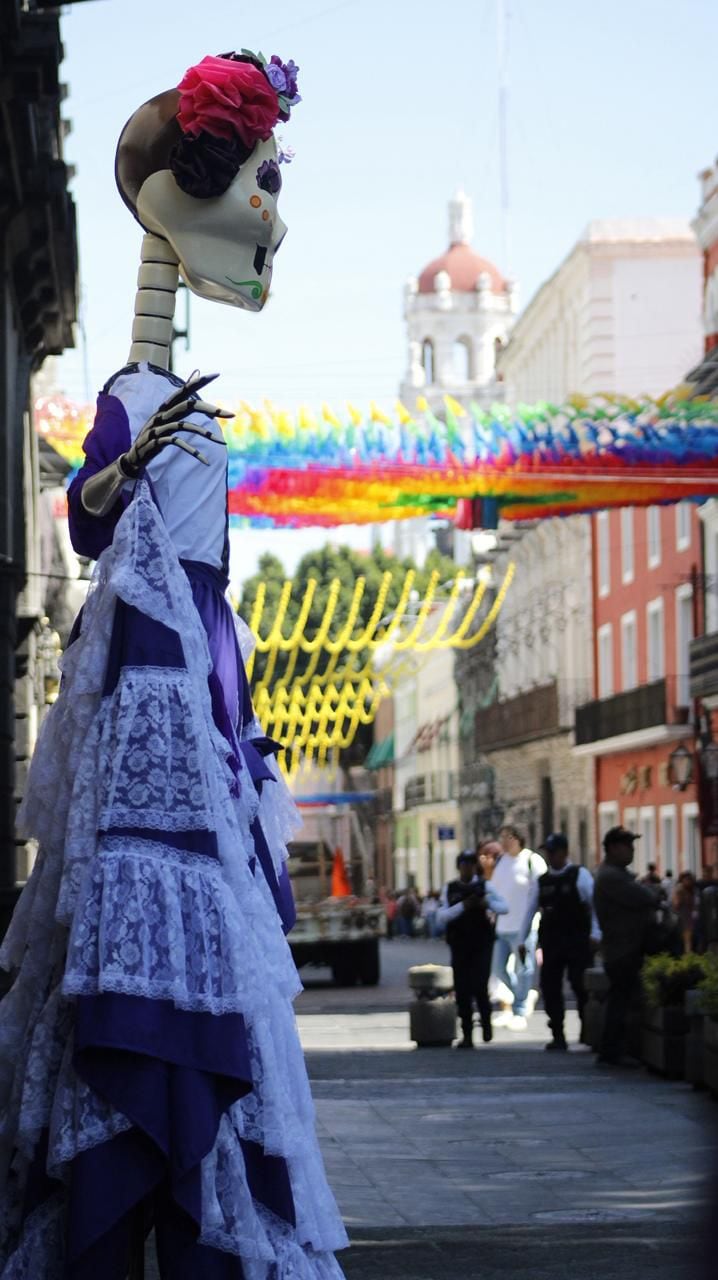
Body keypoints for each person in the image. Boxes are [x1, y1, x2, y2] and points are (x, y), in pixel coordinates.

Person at [0, 50, 348, 1279]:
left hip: (205, 668)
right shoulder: (131, 390)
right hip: (149, 658)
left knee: (212, 906)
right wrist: (117, 468)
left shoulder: (189, 397)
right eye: (257, 179)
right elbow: (89, 522)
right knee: (142, 895)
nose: (272, 210)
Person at [518, 833, 600, 1050]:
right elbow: (530, 911)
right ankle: (558, 1034)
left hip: (578, 940)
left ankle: (587, 1029)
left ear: (564, 852)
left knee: (580, 984)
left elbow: (595, 906)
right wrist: (521, 939)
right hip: (552, 941)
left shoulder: (579, 875)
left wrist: (596, 933)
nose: (550, 857)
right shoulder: (542, 882)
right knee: (550, 986)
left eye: (553, 852)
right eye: (548, 853)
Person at [594, 826, 660, 1066]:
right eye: (627, 846)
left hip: (625, 946)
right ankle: (612, 1051)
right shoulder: (611, 876)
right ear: (612, 848)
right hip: (622, 948)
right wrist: (653, 892)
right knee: (620, 1001)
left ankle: (616, 1049)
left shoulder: (616, 873)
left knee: (622, 999)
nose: (631, 850)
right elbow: (644, 896)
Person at [438, 851, 508, 1047]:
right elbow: (441, 916)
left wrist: (487, 903)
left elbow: (504, 907)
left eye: (470, 864)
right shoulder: (450, 889)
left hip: (481, 943)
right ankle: (467, 1033)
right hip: (459, 944)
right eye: (463, 864)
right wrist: (464, 906)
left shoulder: (485, 886)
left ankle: (486, 1023)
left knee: (479, 985)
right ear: (458, 867)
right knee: (462, 988)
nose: (467, 868)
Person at [491, 826, 547, 1029]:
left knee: (524, 968)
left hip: (525, 926)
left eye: (508, 837)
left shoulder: (532, 860)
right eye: (502, 837)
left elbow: (542, 891)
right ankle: (521, 997)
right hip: (503, 925)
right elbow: (495, 890)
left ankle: (520, 1010)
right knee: (498, 968)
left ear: (519, 839)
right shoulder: (501, 861)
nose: (504, 842)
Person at [673, 871, 698, 953]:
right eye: (687, 879)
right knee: (686, 940)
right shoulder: (680, 890)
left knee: (689, 940)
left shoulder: (692, 890)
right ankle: (687, 959)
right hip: (683, 918)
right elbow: (676, 904)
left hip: (689, 918)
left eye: (690, 879)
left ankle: (688, 957)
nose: (689, 881)